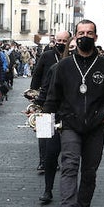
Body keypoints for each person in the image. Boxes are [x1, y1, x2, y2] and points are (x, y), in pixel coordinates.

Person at [41, 19, 104, 207]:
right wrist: (46, 123)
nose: (85, 36)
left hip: (96, 126)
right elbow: (53, 96)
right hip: (70, 124)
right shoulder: (64, 66)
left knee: (89, 172)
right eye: (81, 32)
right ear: (75, 37)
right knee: (69, 166)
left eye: (90, 32)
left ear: (96, 36)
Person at [38, 37, 75, 205]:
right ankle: (48, 189)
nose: (75, 49)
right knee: (50, 154)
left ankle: (69, 193)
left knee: (70, 159)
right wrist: (37, 111)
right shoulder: (55, 68)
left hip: (75, 120)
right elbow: (44, 93)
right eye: (72, 47)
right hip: (53, 117)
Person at [30, 32, 68, 172]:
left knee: (59, 132)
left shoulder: (72, 57)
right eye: (59, 40)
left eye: (64, 40)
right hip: (46, 99)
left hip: (65, 101)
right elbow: (37, 74)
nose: (61, 43)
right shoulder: (47, 56)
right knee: (44, 131)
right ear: (54, 41)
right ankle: (43, 161)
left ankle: (54, 160)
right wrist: (33, 94)